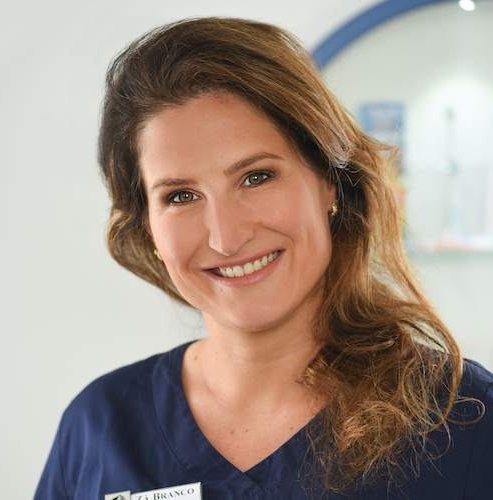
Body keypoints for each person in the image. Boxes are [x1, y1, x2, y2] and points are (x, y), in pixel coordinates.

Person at [34, 18, 493, 500]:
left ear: (329, 183)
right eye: (180, 196)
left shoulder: (464, 421)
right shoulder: (98, 428)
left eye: (256, 178)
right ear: (148, 227)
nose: (227, 238)